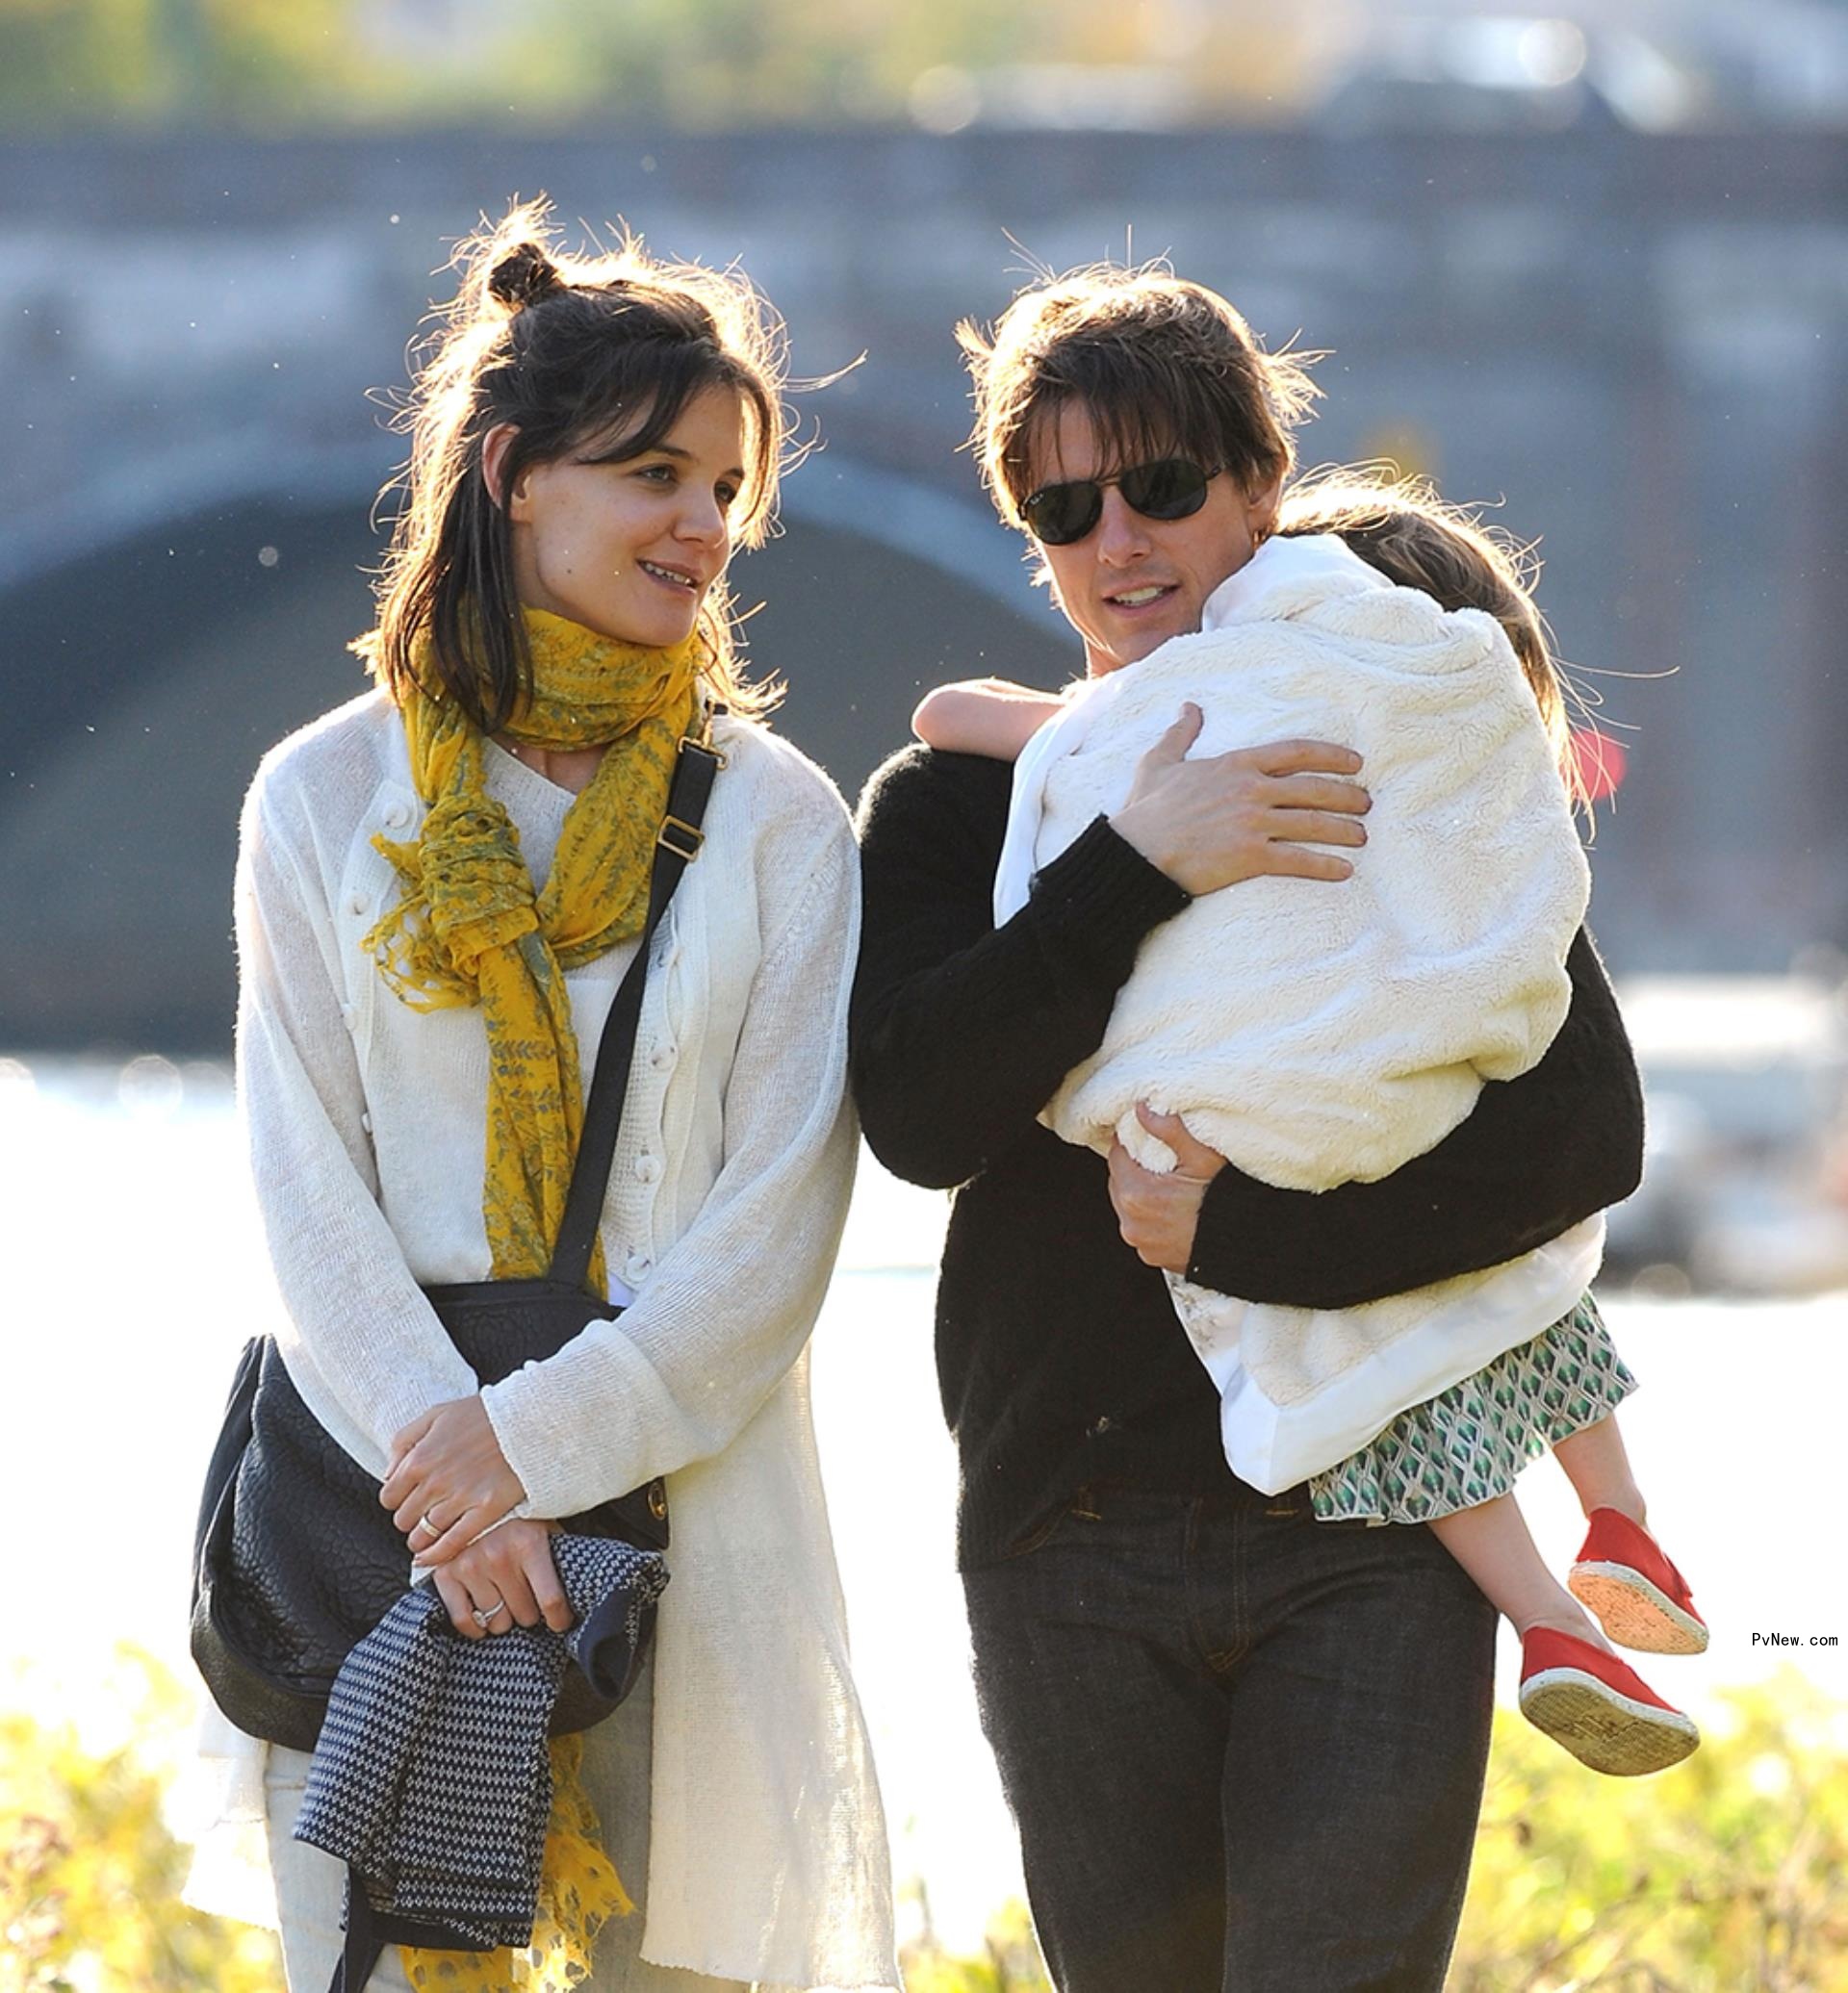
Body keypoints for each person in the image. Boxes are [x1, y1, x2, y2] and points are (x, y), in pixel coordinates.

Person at [849, 266, 1648, 1990]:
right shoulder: (955, 804)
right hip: (1066, 1535)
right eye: (1066, 506)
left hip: (1370, 1537)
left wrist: (1247, 1238)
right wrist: (1142, 861)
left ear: (1262, 491)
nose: (1118, 540)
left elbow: (1584, 1127)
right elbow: (918, 1112)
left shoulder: (1379, 753)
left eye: (1163, 489)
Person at [185, 202, 896, 1993]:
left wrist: (533, 1455)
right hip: (384, 1514)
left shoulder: (776, 819)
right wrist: (467, 1493)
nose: (703, 528)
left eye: (729, 486)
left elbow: (784, 1214)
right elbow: (303, 1184)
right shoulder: (321, 802)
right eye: (654, 473)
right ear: (509, 475)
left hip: (697, 1522)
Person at [914, 472, 1707, 1779]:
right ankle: (1622, 1523)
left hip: (1235, 1147)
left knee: (1375, 1390)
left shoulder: (1169, 727)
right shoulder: (1452, 843)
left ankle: (1551, 1621)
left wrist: (1077, 729)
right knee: (1520, 1293)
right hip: (1407, 1140)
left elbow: (950, 712)